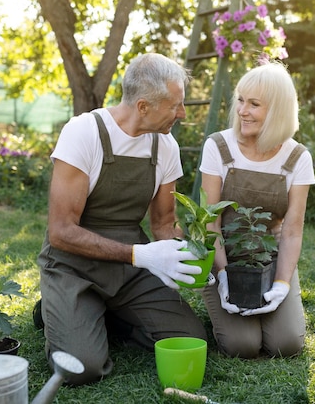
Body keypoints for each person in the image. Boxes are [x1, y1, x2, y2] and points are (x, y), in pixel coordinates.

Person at [37, 53, 207, 385]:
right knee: (82, 367)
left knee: (188, 335)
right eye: (175, 106)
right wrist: (139, 254)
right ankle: (56, 309)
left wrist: (191, 258)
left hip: (131, 272)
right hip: (73, 266)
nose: (182, 114)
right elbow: (60, 232)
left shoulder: (165, 146)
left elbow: (162, 223)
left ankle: (102, 316)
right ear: (143, 106)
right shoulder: (84, 132)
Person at [199, 61, 315, 358]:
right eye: (240, 100)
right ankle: (223, 298)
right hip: (224, 254)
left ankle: (271, 303)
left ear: (277, 110)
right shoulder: (219, 147)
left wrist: (281, 283)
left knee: (285, 344)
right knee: (242, 346)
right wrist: (222, 273)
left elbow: (291, 230)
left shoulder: (297, 157)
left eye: (254, 104)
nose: (242, 111)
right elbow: (209, 223)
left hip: (269, 257)